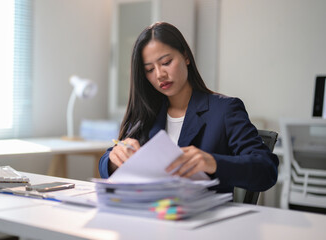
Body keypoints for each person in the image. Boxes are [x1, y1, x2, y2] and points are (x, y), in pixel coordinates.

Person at [99, 22, 278, 194]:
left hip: (205, 218)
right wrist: (115, 159)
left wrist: (213, 162)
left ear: (185, 57)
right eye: (149, 69)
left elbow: (266, 169)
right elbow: (106, 161)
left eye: (166, 62)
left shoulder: (225, 110)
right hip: (152, 215)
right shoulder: (147, 113)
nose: (160, 74)